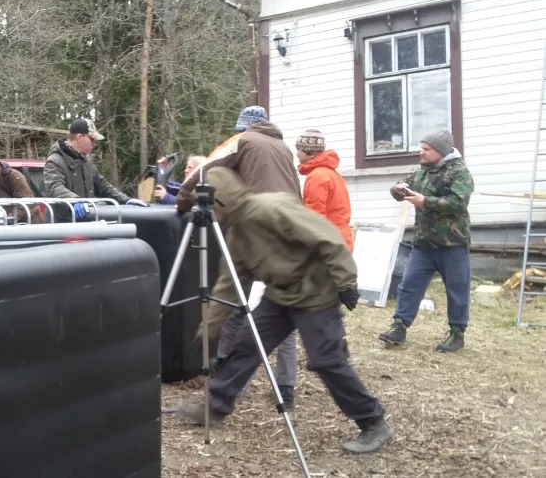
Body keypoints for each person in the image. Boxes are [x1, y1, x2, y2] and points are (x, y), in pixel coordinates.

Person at [177, 166, 394, 454]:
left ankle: (372, 421)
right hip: (279, 297)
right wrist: (208, 329)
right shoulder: (237, 234)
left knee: (326, 360)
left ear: (222, 201)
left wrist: (346, 282)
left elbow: (327, 236)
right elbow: (228, 283)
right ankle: (214, 407)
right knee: (247, 344)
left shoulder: (272, 209)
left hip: (315, 293)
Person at [176, 114, 302, 410]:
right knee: (284, 309)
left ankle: (224, 369)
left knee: (233, 300)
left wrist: (182, 200)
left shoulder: (243, 140)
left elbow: (206, 169)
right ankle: (285, 386)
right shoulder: (283, 150)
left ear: (243, 127)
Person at [379, 130, 474, 352]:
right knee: (409, 286)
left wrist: (425, 201)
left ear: (440, 151)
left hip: (453, 244)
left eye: (426, 149)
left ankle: (457, 333)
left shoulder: (460, 172)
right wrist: (398, 188)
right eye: (422, 147)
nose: (421, 152)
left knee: (457, 290)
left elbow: (458, 203)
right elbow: (403, 190)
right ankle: (399, 327)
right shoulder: (422, 173)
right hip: (423, 244)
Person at [44, 117, 147, 220]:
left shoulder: (85, 162)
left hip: (84, 222)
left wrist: (126, 200)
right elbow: (54, 187)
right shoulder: (55, 161)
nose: (94, 144)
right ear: (79, 137)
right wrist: (74, 201)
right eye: (91, 139)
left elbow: (102, 186)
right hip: (61, 226)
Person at [295, 129, 354, 251]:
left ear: (309, 151)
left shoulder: (317, 176)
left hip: (328, 243)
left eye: (299, 149)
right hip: (341, 239)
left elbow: (315, 217)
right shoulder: (332, 174)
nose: (297, 154)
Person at [0, 148, 43, 223]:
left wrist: (7, 220)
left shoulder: (14, 176)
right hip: (7, 225)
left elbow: (26, 203)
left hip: (30, 224)